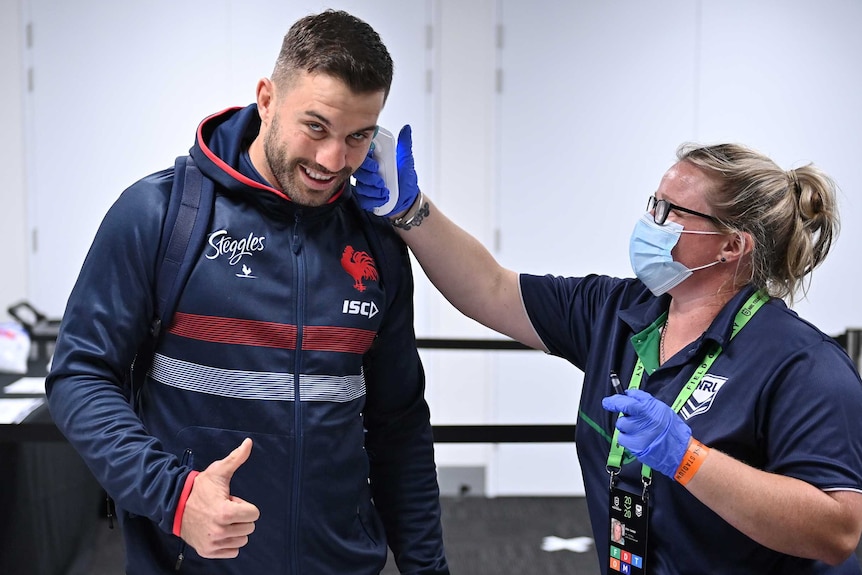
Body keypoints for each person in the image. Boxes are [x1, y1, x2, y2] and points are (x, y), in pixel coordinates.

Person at [45, 11, 449, 575]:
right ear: (266, 98)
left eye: (357, 136)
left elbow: (398, 422)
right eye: (316, 126)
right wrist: (174, 496)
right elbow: (80, 376)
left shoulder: (376, 242)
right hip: (195, 559)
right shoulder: (161, 215)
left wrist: (427, 567)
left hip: (343, 562)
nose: (332, 161)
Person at [354, 135, 862, 573]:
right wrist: (411, 211)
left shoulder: (803, 364)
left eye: (669, 212)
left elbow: (837, 531)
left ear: (730, 246)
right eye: (652, 202)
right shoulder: (618, 310)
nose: (650, 221)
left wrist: (689, 460)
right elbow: (490, 289)